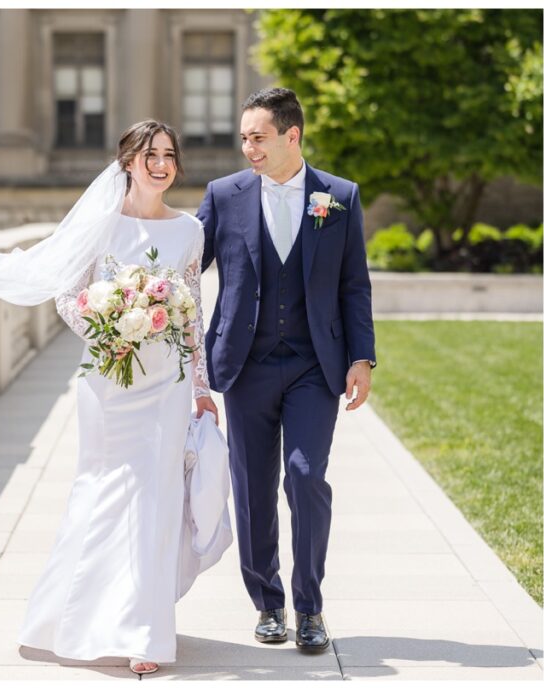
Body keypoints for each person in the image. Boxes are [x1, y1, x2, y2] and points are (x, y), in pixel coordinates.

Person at [0, 120, 219, 675]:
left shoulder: (189, 231)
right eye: (150, 156)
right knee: (98, 492)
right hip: (108, 380)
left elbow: (191, 311)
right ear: (127, 162)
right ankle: (67, 616)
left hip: (166, 385)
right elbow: (68, 298)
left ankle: (144, 631)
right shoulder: (102, 227)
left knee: (157, 496)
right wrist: (113, 327)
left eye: (169, 155)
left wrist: (201, 387)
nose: (162, 165)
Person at [196, 88, 376, 652]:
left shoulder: (338, 197)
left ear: (291, 136)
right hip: (245, 366)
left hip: (312, 366)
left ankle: (311, 606)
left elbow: (354, 285)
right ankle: (268, 604)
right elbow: (183, 264)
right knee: (251, 487)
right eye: (244, 137)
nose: (248, 147)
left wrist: (362, 358)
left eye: (258, 137)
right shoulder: (223, 196)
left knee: (303, 476)